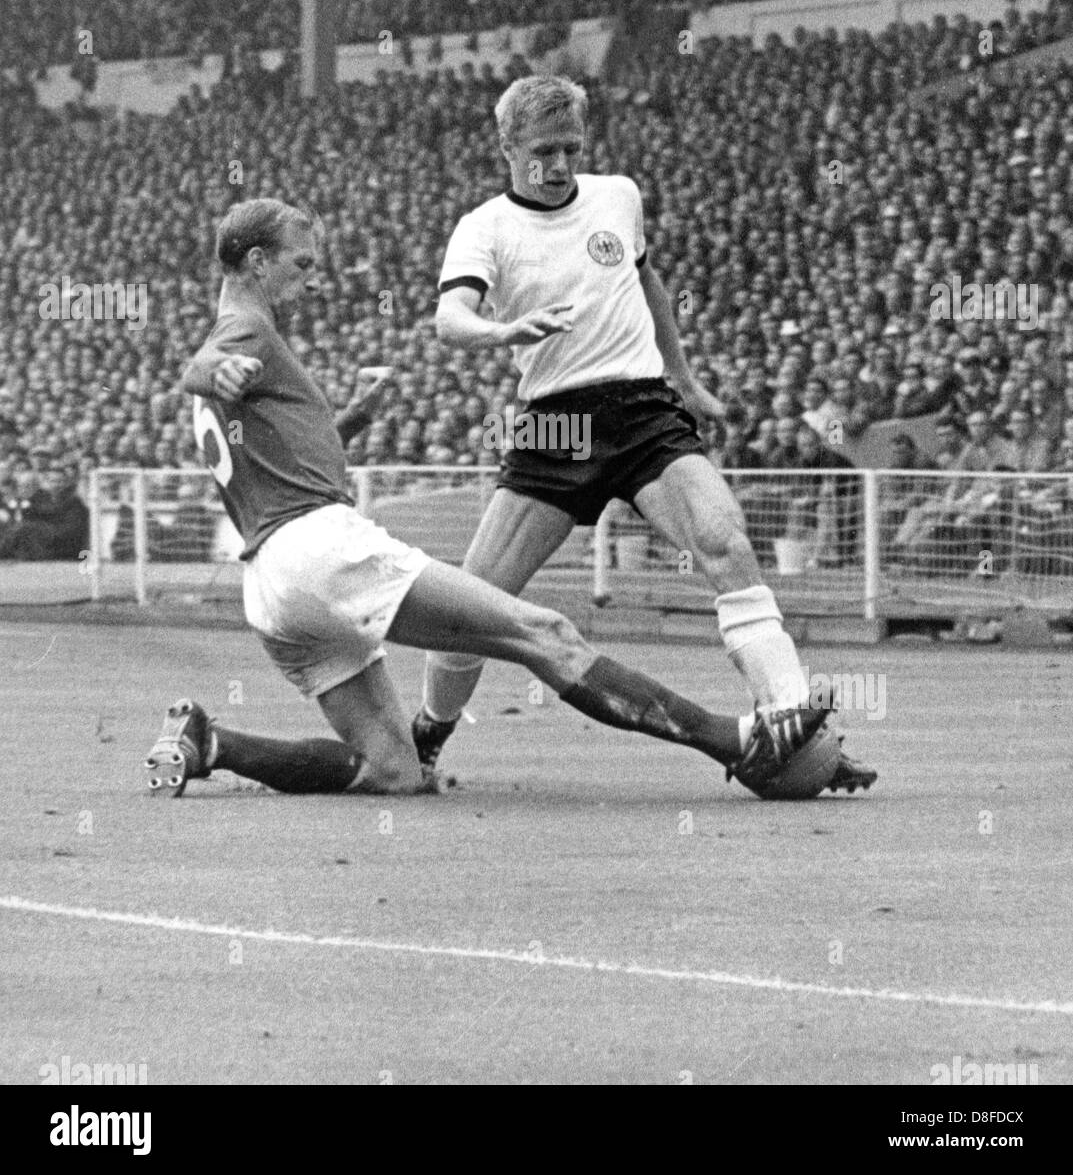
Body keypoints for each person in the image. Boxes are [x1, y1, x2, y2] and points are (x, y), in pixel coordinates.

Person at [146, 198, 834, 800]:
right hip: (321, 550)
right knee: (545, 635)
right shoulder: (246, 330)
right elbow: (199, 368)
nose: (311, 279)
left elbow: (285, 450)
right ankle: (738, 741)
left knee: (394, 771)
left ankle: (213, 743)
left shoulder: (258, 347)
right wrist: (212, 368)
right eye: (301, 264)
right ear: (258, 261)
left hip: (270, 588)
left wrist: (348, 416)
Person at [421, 75, 876, 793]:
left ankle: (789, 718)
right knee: (470, 607)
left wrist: (685, 380)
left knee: (724, 541)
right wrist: (500, 330)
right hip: (556, 424)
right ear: (506, 146)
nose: (559, 164)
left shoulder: (618, 196)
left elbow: (648, 285)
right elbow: (450, 318)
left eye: (571, 146)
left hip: (642, 411)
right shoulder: (485, 227)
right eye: (542, 150)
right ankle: (426, 736)